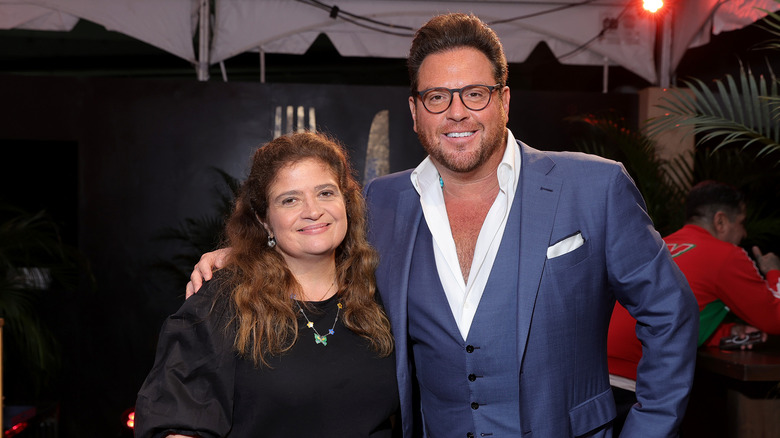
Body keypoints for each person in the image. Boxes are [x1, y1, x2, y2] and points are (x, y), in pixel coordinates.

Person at [187, 13, 698, 437]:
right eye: (437, 97)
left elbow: (670, 315)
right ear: (415, 111)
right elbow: (318, 245)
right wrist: (244, 253)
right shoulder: (384, 201)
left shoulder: (594, 187)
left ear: (503, 99)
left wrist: (648, 432)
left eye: (474, 93)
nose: (457, 113)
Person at [135, 131, 399, 438]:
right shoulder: (224, 301)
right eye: (290, 200)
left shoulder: (379, 290)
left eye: (326, 193)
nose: (313, 211)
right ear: (264, 220)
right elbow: (180, 423)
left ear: (346, 202)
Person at [608, 180, 780, 432]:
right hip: (633, 385)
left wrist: (722, 333)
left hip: (591, 377)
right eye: (741, 223)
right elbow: (775, 319)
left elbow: (673, 311)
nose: (744, 234)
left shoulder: (658, 244)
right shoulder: (725, 255)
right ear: (720, 221)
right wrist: (774, 271)